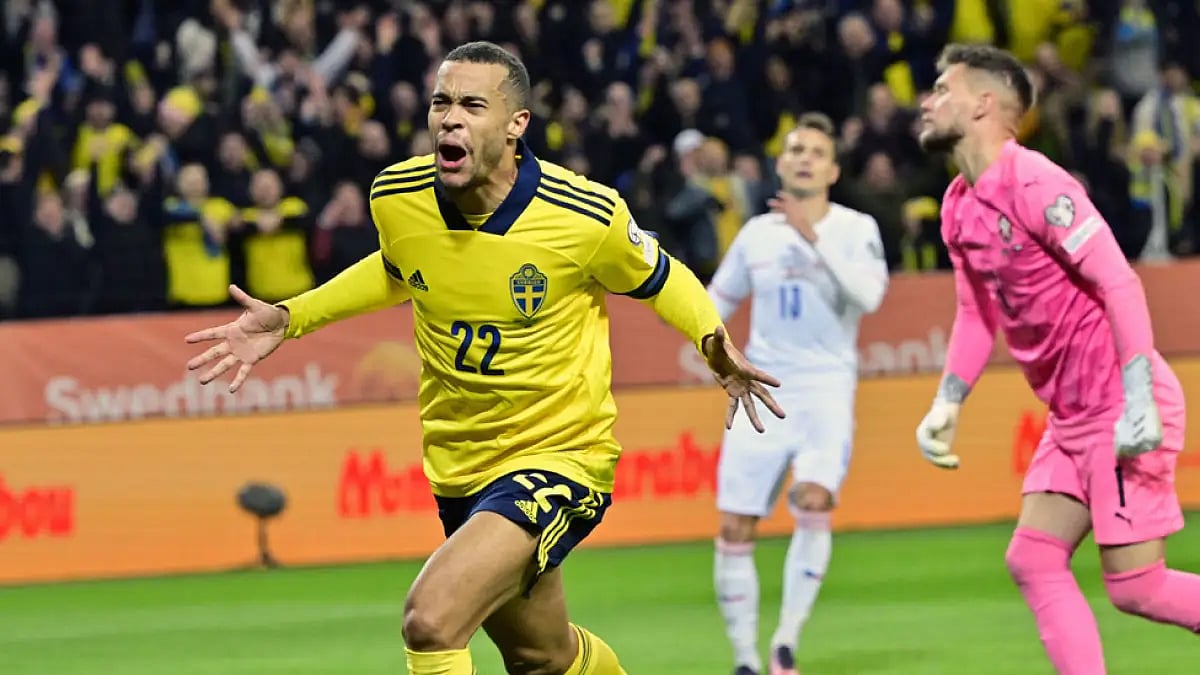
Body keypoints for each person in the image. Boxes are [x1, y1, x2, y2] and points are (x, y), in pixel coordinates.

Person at [182, 41, 785, 675]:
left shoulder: (585, 215)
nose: (450, 118)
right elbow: (399, 269)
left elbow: (661, 277)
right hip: (460, 467)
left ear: (515, 123)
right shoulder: (396, 196)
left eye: (472, 104)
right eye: (441, 102)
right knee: (543, 657)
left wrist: (712, 341)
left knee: (431, 618)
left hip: (559, 457)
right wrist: (292, 316)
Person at [914, 43, 1200, 674]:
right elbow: (974, 315)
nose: (927, 102)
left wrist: (1140, 396)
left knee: (1136, 586)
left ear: (984, 103)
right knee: (1033, 558)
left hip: (1121, 402)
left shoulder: (1036, 183)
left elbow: (1119, 282)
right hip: (1072, 418)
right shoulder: (959, 205)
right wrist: (948, 400)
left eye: (941, 89)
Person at [707, 113, 889, 675]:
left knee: (814, 499)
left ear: (833, 169)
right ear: (780, 164)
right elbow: (713, 301)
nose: (804, 157)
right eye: (795, 150)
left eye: (815, 150)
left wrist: (812, 238)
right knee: (736, 525)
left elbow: (870, 295)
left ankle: (785, 642)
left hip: (826, 388)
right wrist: (719, 355)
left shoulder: (856, 229)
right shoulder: (757, 234)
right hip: (762, 386)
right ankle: (743, 660)